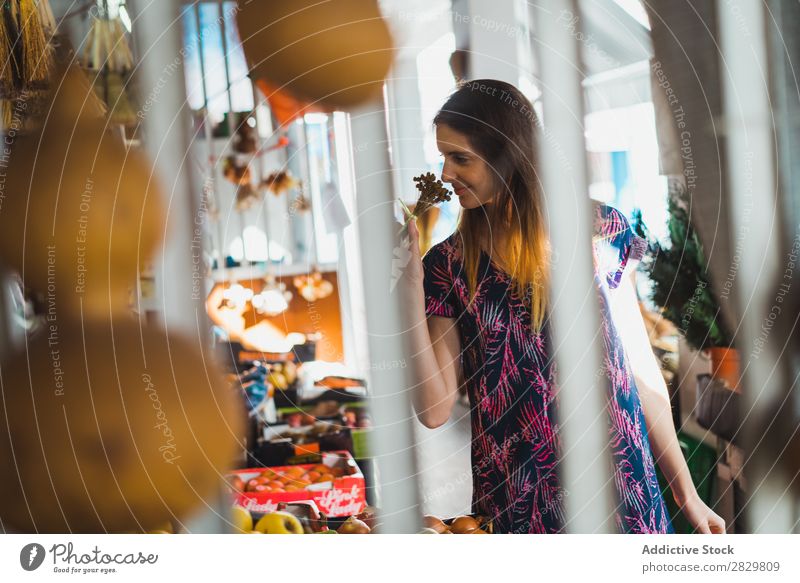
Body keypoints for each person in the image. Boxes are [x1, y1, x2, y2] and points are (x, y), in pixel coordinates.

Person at [398, 79, 725, 534]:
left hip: (619, 487)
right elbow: (434, 411)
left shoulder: (600, 230)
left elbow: (640, 372)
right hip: (516, 500)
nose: (446, 174)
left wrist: (687, 495)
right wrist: (409, 288)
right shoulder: (446, 267)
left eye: (461, 158)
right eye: (443, 158)